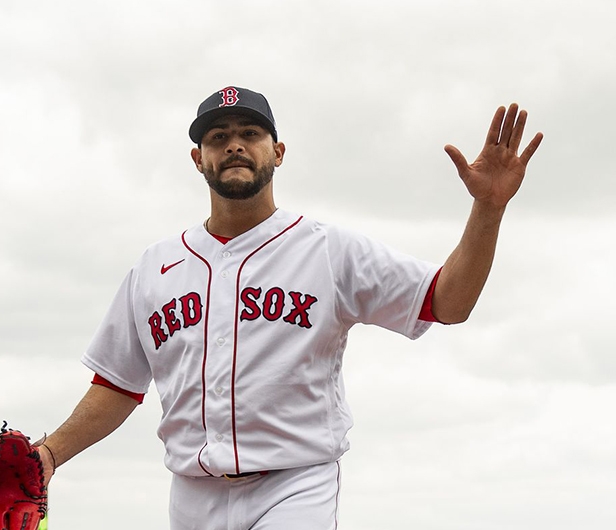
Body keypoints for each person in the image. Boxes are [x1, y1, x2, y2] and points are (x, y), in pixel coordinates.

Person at [33, 86, 543, 529]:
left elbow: (448, 301)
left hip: (294, 486)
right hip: (191, 494)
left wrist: (488, 208)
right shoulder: (154, 267)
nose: (234, 143)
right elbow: (117, 385)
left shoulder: (328, 250)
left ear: (277, 152)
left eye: (250, 133)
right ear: (198, 158)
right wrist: (50, 454)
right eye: (217, 136)